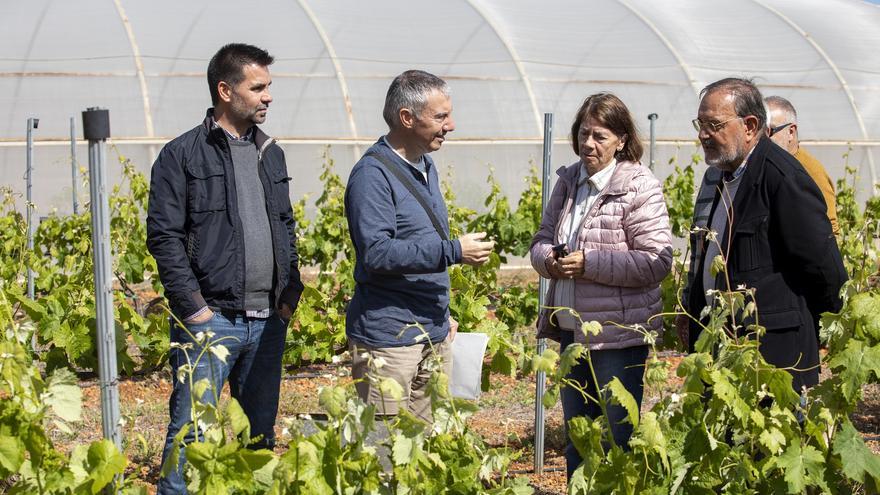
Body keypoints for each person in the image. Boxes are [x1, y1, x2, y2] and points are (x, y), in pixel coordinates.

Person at [147, 43, 303, 494]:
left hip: (268, 323)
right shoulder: (182, 155)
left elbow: (286, 227)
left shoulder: (271, 153)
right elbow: (164, 238)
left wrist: (288, 299)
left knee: (258, 437)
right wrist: (194, 310)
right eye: (258, 87)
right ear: (225, 89)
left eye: (269, 87)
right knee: (189, 433)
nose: (268, 96)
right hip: (211, 321)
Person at [529, 93, 673, 480]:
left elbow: (656, 260)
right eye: (583, 133)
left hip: (617, 337)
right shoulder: (570, 180)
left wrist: (589, 264)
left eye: (600, 136)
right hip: (572, 331)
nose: (588, 144)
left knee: (616, 436)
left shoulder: (639, 186)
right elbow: (541, 239)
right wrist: (551, 260)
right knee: (579, 437)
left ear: (622, 140)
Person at [344, 70, 494, 423]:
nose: (451, 125)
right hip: (390, 340)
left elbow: (419, 242)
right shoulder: (373, 175)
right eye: (440, 116)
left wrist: (440, 313)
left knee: (420, 446)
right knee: (383, 447)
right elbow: (377, 252)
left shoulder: (426, 166)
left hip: (432, 330)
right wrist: (453, 251)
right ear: (407, 118)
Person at [680, 78, 846, 393]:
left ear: (750, 125)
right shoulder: (718, 175)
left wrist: (811, 324)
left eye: (713, 125)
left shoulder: (783, 178)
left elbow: (824, 266)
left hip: (773, 355)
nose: (703, 134)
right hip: (723, 344)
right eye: (700, 124)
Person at [765, 95, 839, 235]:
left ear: (791, 132)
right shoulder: (765, 164)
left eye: (770, 131)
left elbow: (830, 228)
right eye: (760, 131)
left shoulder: (811, 171)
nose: (763, 138)